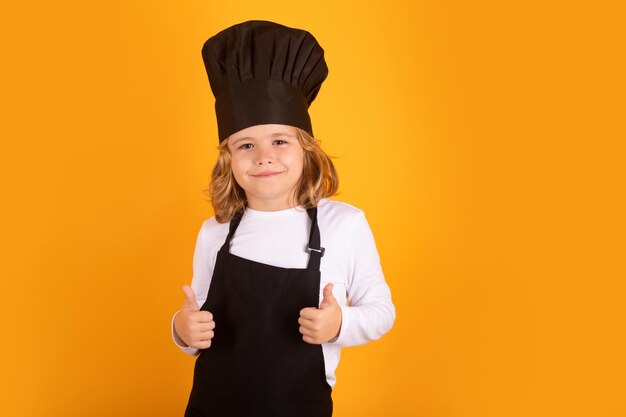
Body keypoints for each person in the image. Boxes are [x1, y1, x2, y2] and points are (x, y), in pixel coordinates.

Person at [171, 20, 395, 417]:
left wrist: (339, 324)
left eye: (279, 140)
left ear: (306, 149)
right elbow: (198, 321)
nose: (264, 156)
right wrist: (181, 330)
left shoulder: (345, 224)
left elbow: (380, 311)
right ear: (228, 158)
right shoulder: (215, 232)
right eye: (246, 145)